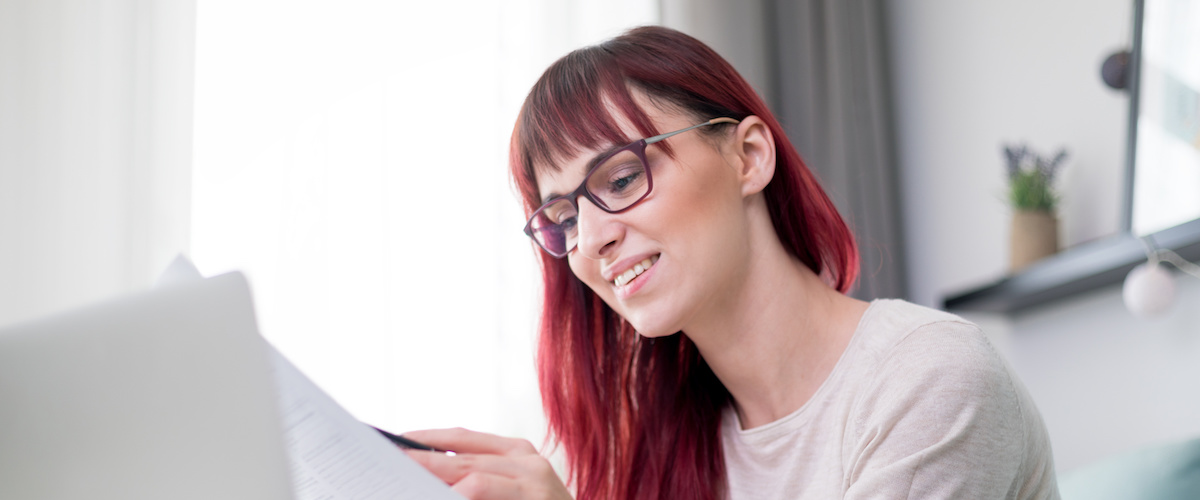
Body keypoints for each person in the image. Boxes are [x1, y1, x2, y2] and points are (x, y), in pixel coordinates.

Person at [404, 25, 1059, 500]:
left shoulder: (928, 380)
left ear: (748, 158)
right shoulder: (655, 450)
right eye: (565, 218)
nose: (593, 239)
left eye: (623, 178)